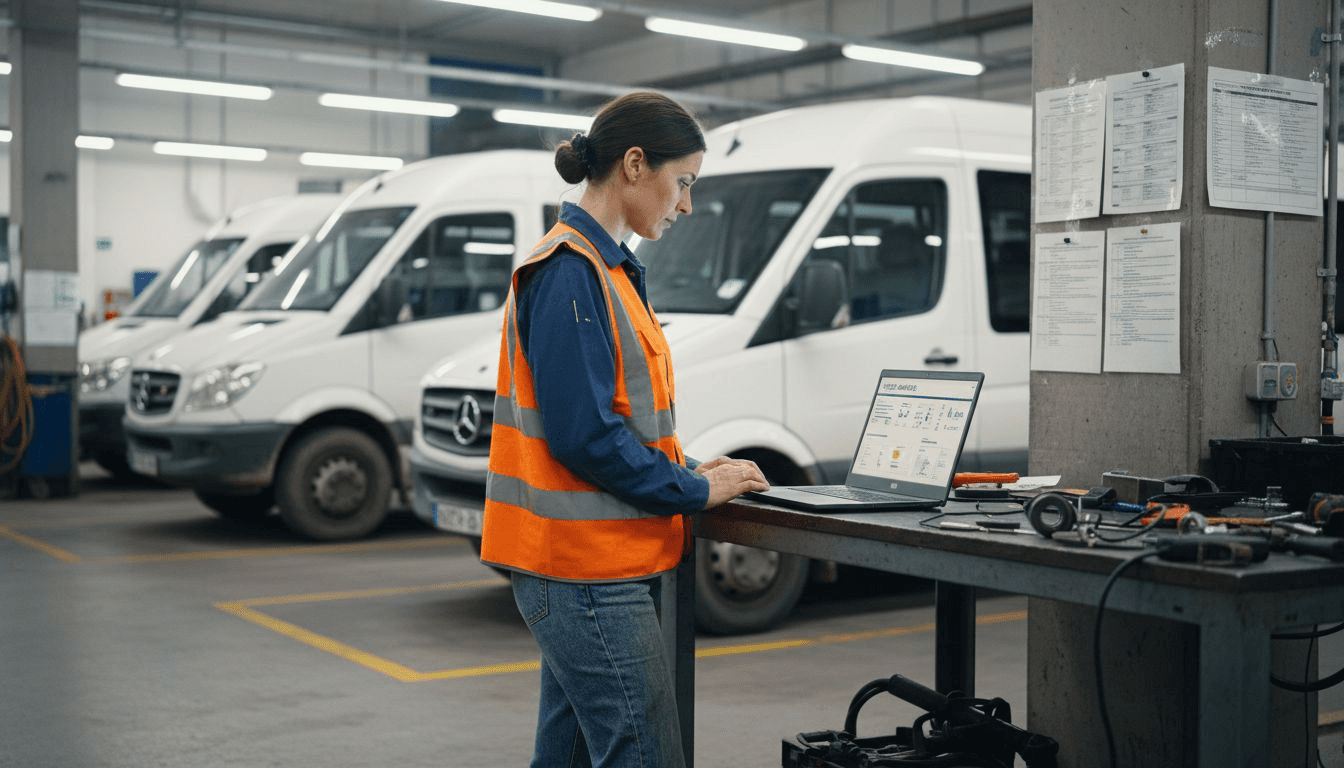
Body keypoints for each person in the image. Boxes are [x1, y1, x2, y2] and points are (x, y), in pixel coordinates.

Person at [479, 91, 770, 768]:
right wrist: (694, 492)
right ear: (636, 165)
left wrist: (689, 467)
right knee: (646, 756)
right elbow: (584, 437)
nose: (687, 205)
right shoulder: (570, 274)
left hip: (587, 565)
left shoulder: (604, 270)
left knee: (572, 757)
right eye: (684, 182)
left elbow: (620, 418)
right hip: (583, 575)